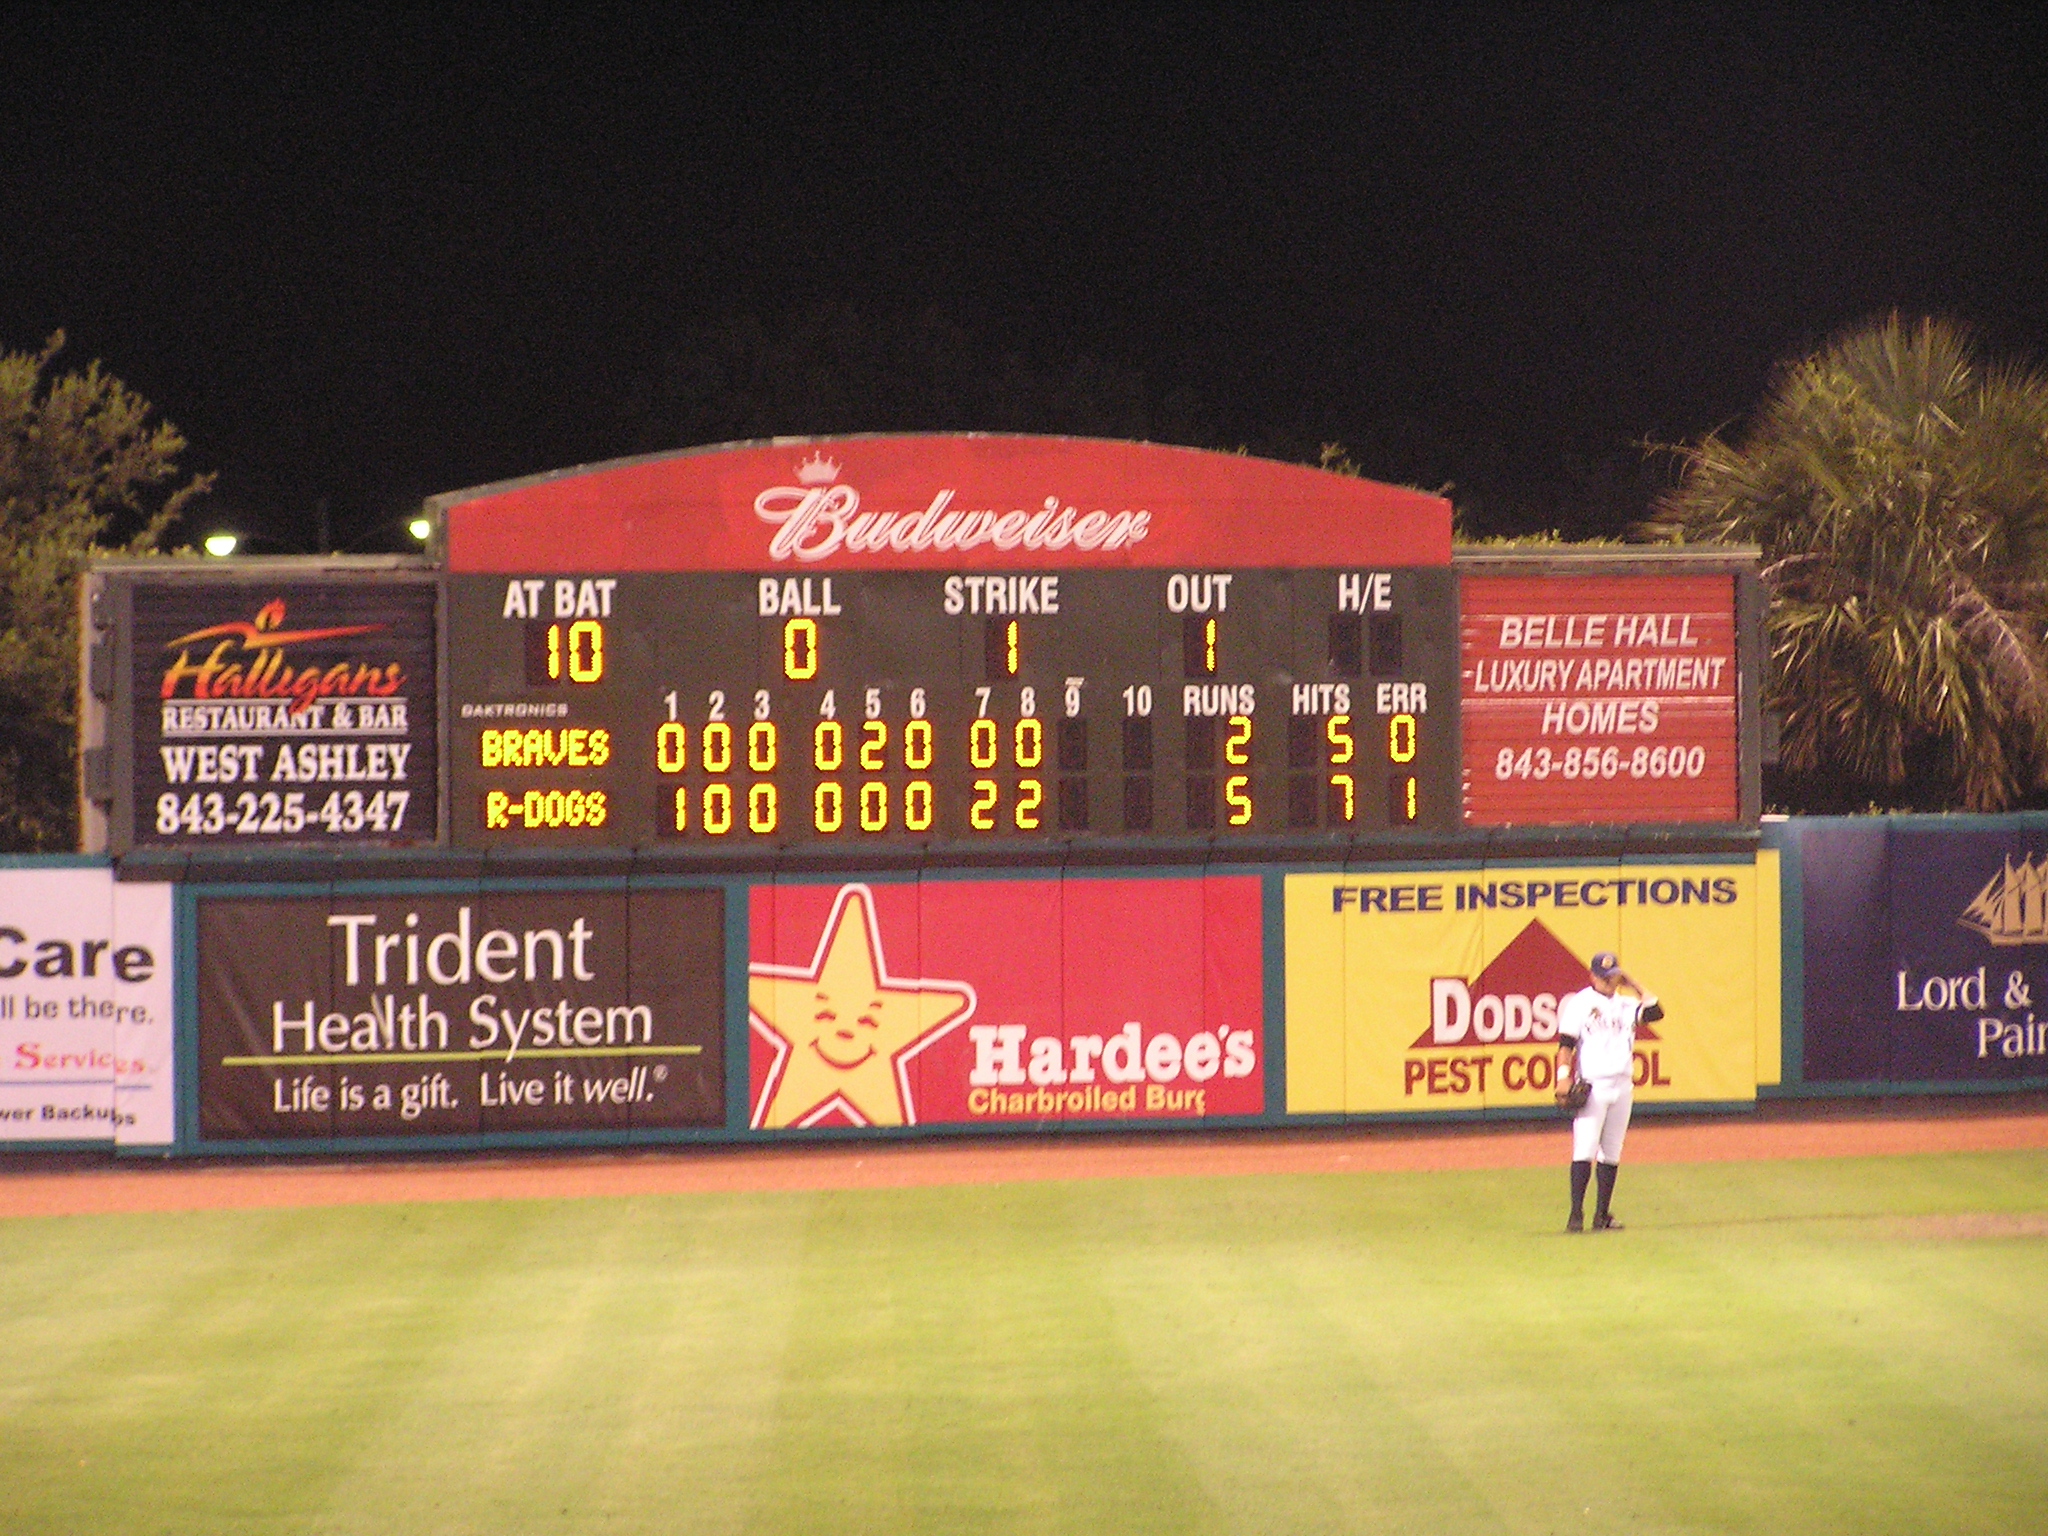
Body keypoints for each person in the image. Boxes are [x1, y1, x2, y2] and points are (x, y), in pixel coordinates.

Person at [1554, 950, 1662, 1232]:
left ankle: (1601, 1215)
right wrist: (1563, 1077)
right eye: (1603, 977)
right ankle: (1575, 1215)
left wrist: (1634, 983)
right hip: (1594, 1085)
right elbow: (1566, 1044)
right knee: (1585, 1148)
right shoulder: (1580, 1003)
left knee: (1612, 1152)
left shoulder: (1627, 1004)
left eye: (1613, 976)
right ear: (1592, 976)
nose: (1608, 982)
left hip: (1622, 1085)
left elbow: (1656, 1010)